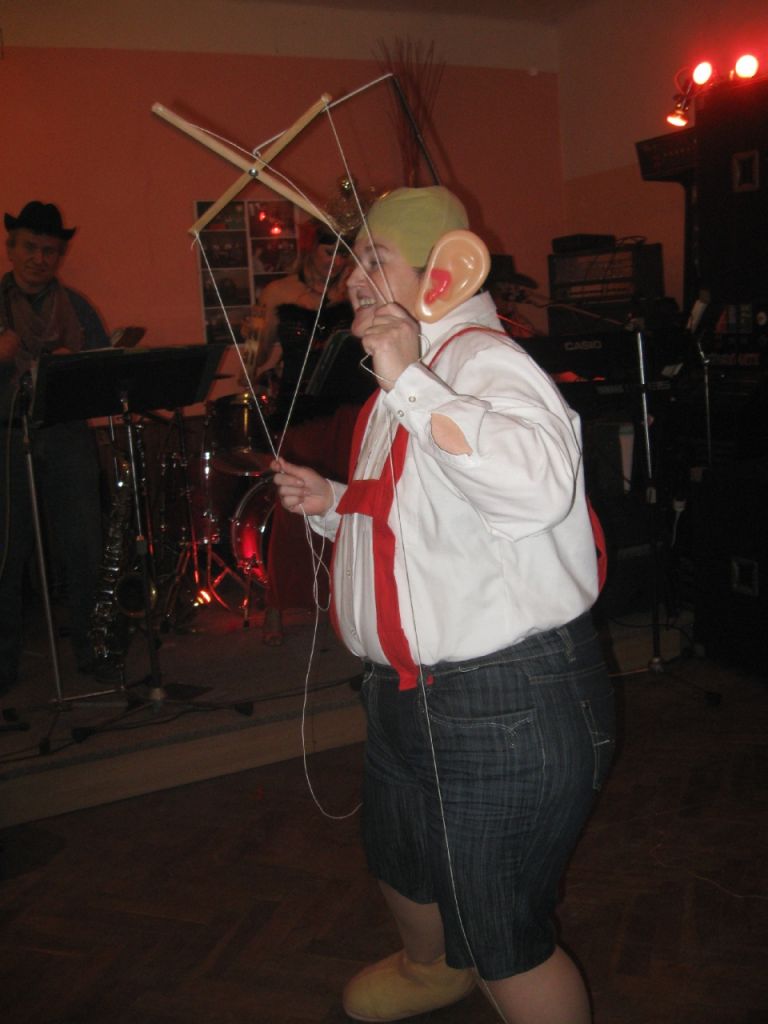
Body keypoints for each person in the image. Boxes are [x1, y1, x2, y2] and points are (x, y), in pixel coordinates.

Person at [272, 187, 615, 1024]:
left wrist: (410, 384)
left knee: (500, 925)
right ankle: (432, 971)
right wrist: (333, 502)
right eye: (352, 263)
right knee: (399, 856)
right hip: (404, 690)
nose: (352, 279)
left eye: (374, 259)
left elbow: (535, 488)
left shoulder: (481, 363)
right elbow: (419, 513)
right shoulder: (411, 376)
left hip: (505, 697)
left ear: (446, 271)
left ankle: (473, 968)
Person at [243, 220, 373, 645]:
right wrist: (253, 350)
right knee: (293, 508)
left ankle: (349, 601)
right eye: (326, 249)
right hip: (301, 413)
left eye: (342, 251)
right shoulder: (278, 292)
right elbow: (257, 355)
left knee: (352, 501)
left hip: (353, 407)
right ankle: (278, 604)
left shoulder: (355, 289)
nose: (335, 258)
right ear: (309, 248)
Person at [0, 201, 108, 697]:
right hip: (5, 436)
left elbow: (105, 369)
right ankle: (4, 663)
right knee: (6, 553)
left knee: (84, 545)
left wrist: (75, 368)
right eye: (30, 247)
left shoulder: (78, 308)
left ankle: (93, 649)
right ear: (11, 248)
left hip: (66, 437)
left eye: (49, 250)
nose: (39, 258)